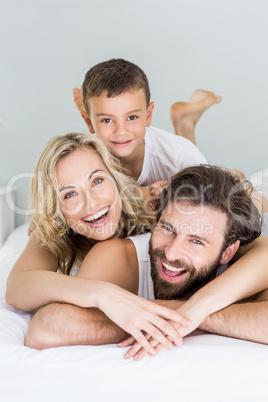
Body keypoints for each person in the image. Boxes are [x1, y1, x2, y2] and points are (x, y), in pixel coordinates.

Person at [24, 165, 268, 359]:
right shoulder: (117, 256)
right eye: (167, 228)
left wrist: (196, 314)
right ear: (156, 219)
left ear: (228, 252)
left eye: (196, 241)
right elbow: (46, 327)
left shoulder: (241, 263)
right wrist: (184, 315)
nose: (172, 253)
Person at [6, 132, 192, 354]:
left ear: (115, 177)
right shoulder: (54, 226)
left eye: (97, 180)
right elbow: (17, 289)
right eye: (69, 195)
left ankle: (184, 128)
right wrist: (101, 294)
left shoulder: (149, 201)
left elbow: (232, 186)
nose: (91, 202)